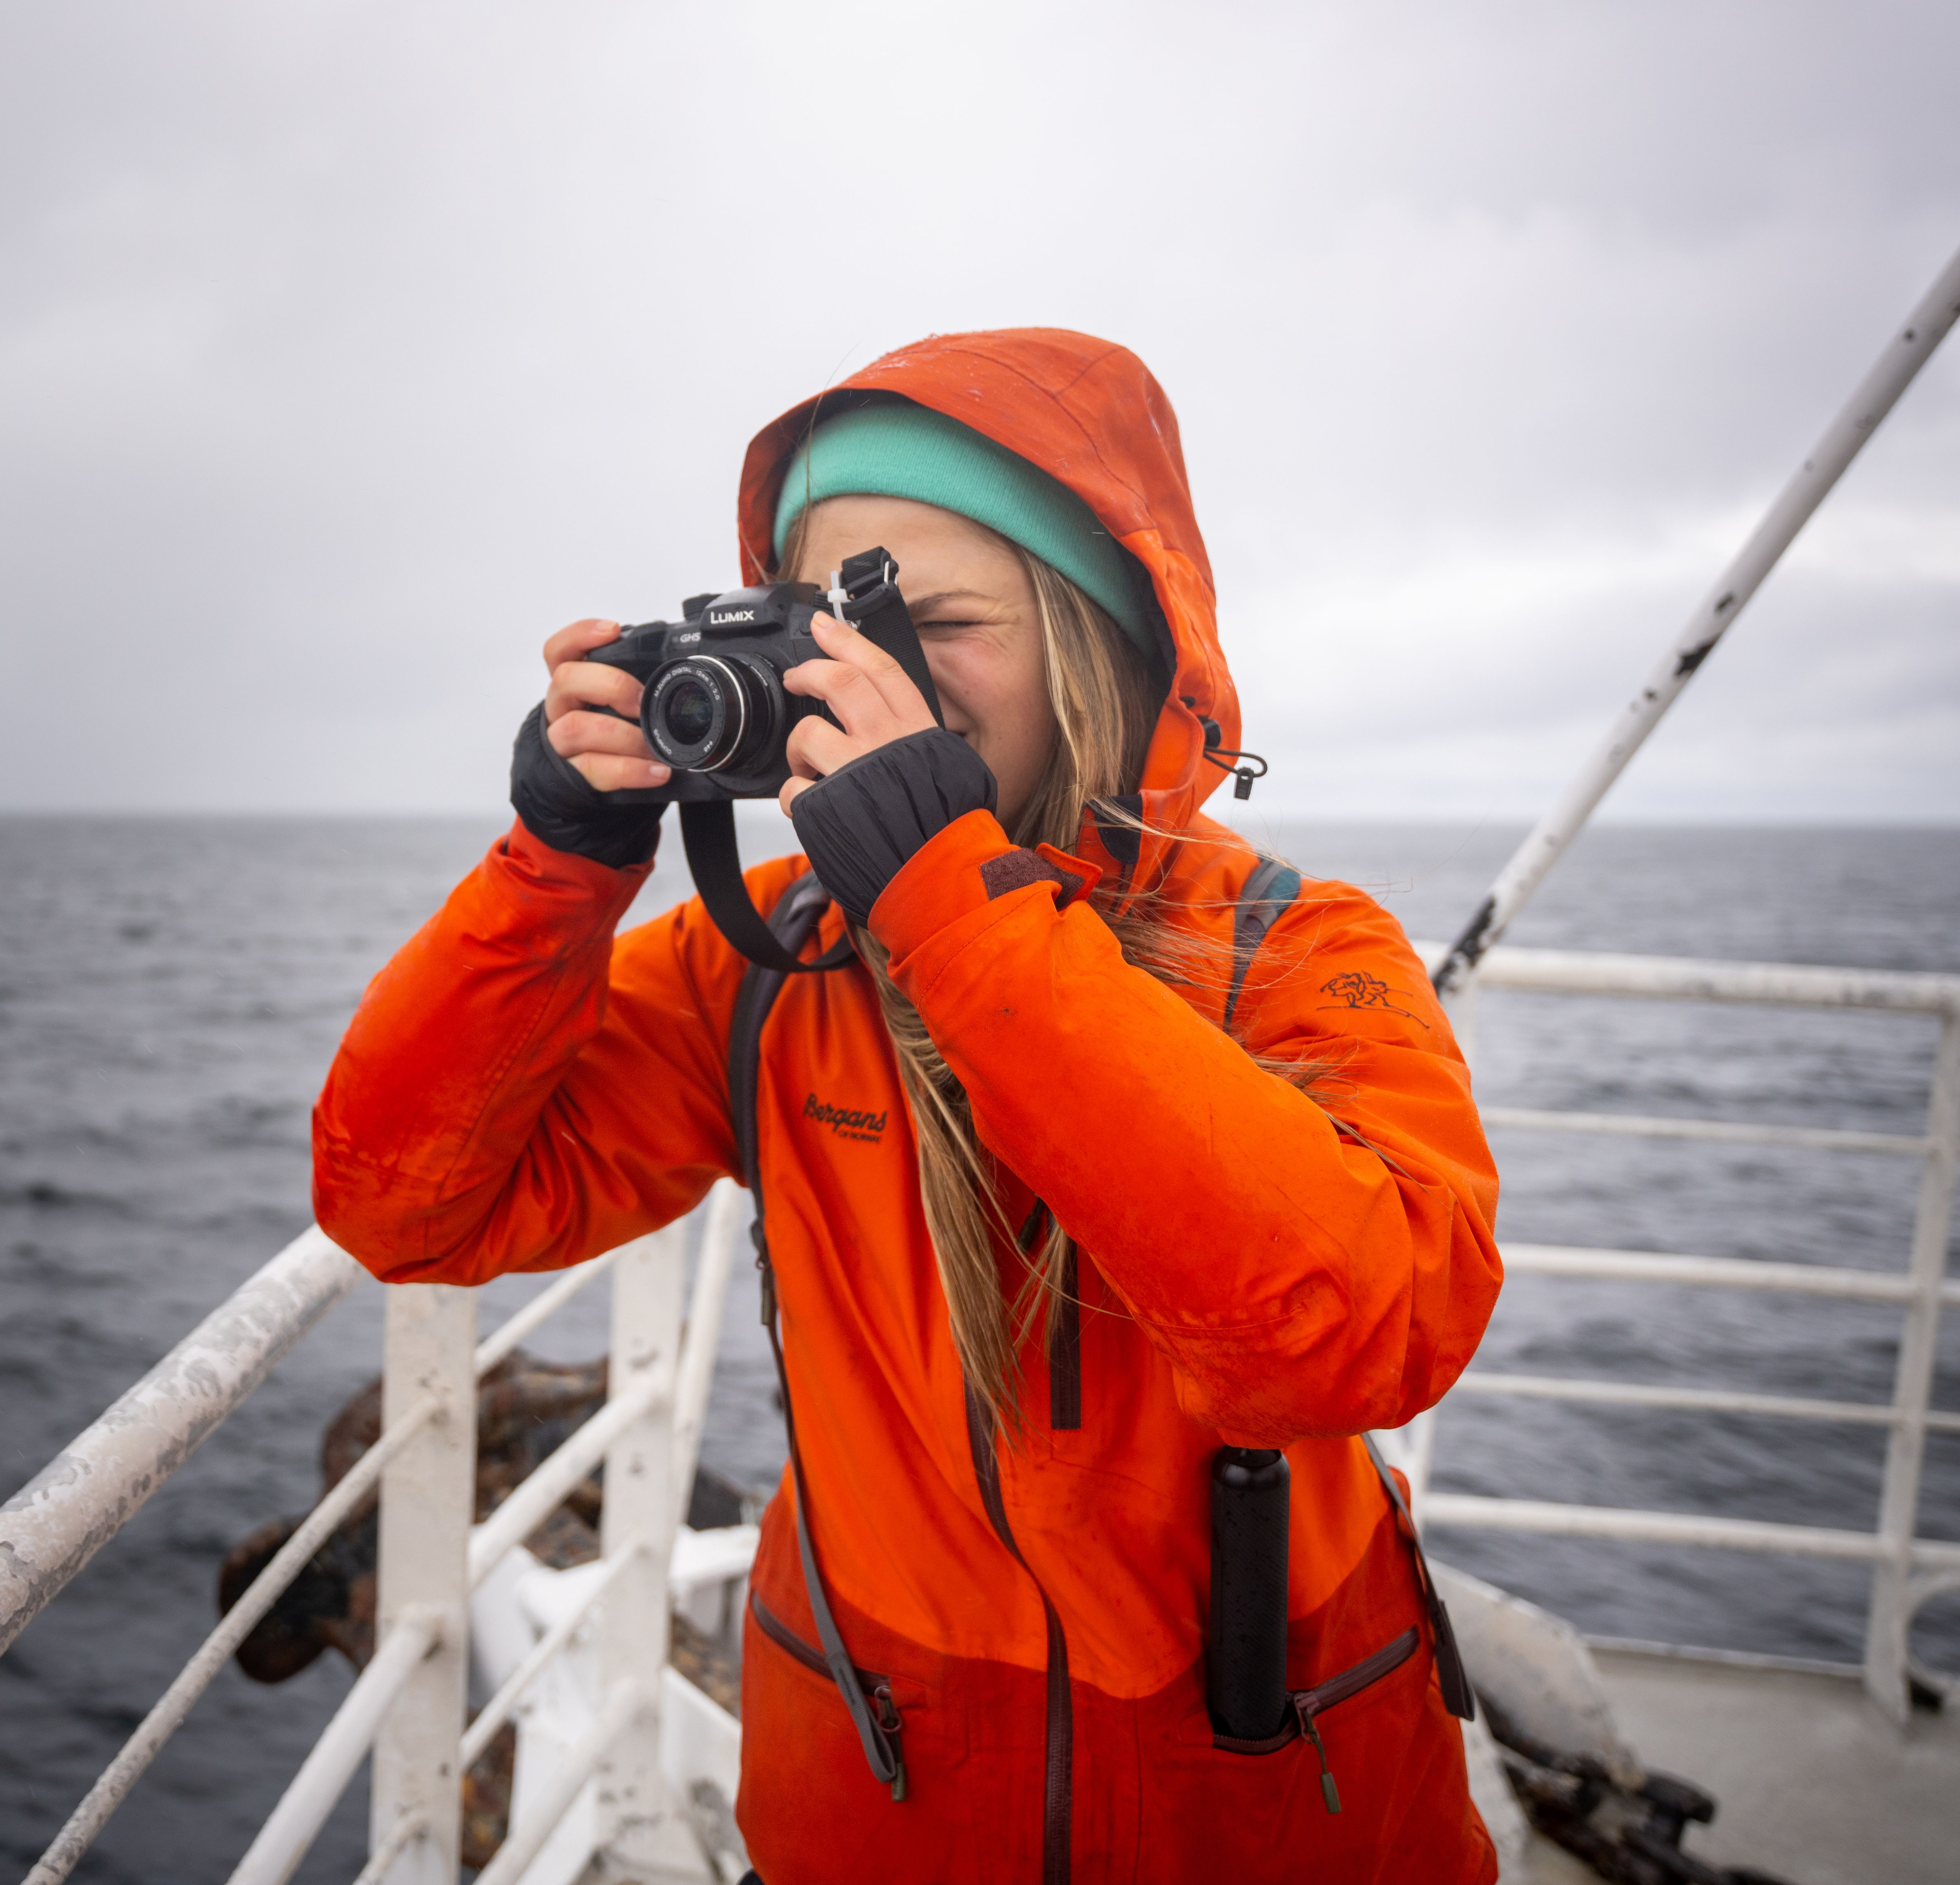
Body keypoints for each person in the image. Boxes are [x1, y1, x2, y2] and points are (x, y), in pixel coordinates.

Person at [311, 328, 1503, 1883]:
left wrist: (958, 908)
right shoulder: (776, 962)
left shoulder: (1297, 952)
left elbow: (1371, 1327)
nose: (880, 684)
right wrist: (558, 864)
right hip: (884, 1794)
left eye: (939, 624)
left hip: (1271, 1807)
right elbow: (410, 1203)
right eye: (837, 634)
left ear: (1104, 643)